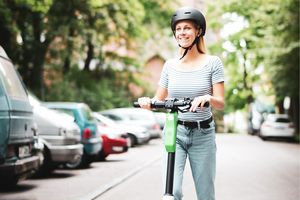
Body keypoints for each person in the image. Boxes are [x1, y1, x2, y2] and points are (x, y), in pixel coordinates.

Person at [138, 6, 225, 200]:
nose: (182, 32)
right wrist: (148, 102)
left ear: (198, 31)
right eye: (178, 29)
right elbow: (158, 100)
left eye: (187, 28)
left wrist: (208, 98)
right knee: (172, 191)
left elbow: (220, 103)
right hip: (175, 132)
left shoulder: (213, 63)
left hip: (203, 134)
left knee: (205, 195)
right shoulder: (170, 65)